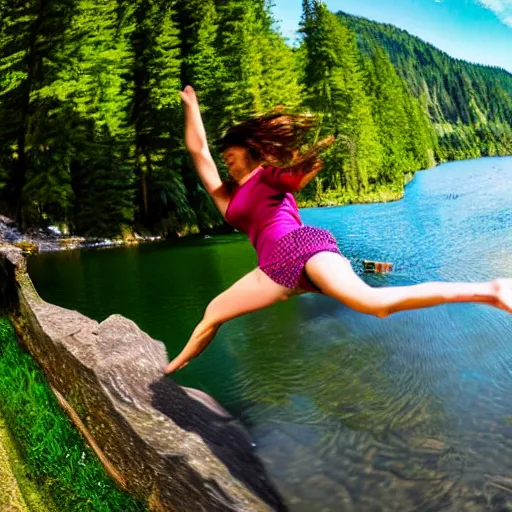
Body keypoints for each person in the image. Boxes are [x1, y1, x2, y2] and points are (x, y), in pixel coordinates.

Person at [164, 86, 512, 375]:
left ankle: (492, 290)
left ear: (252, 151)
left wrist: (306, 164)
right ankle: (169, 369)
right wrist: (191, 106)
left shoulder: (266, 177)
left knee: (373, 304)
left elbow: (292, 176)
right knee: (213, 313)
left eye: (233, 152)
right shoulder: (228, 196)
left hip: (301, 249)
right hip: (273, 272)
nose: (227, 158)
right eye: (224, 154)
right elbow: (199, 152)